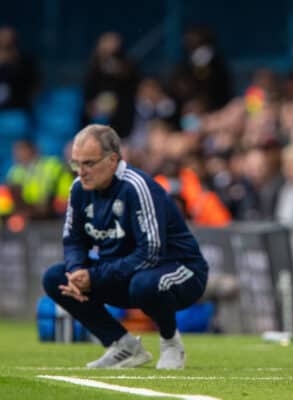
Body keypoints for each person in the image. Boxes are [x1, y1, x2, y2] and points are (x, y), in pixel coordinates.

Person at [42, 124, 209, 369]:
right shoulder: (78, 189)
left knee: (144, 283)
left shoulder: (136, 187)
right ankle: (123, 345)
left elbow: (150, 253)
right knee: (56, 277)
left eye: (88, 163)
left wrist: (94, 275)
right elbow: (74, 239)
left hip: (180, 272)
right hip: (126, 275)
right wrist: (77, 270)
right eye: (76, 163)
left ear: (112, 160)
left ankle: (171, 343)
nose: (81, 172)